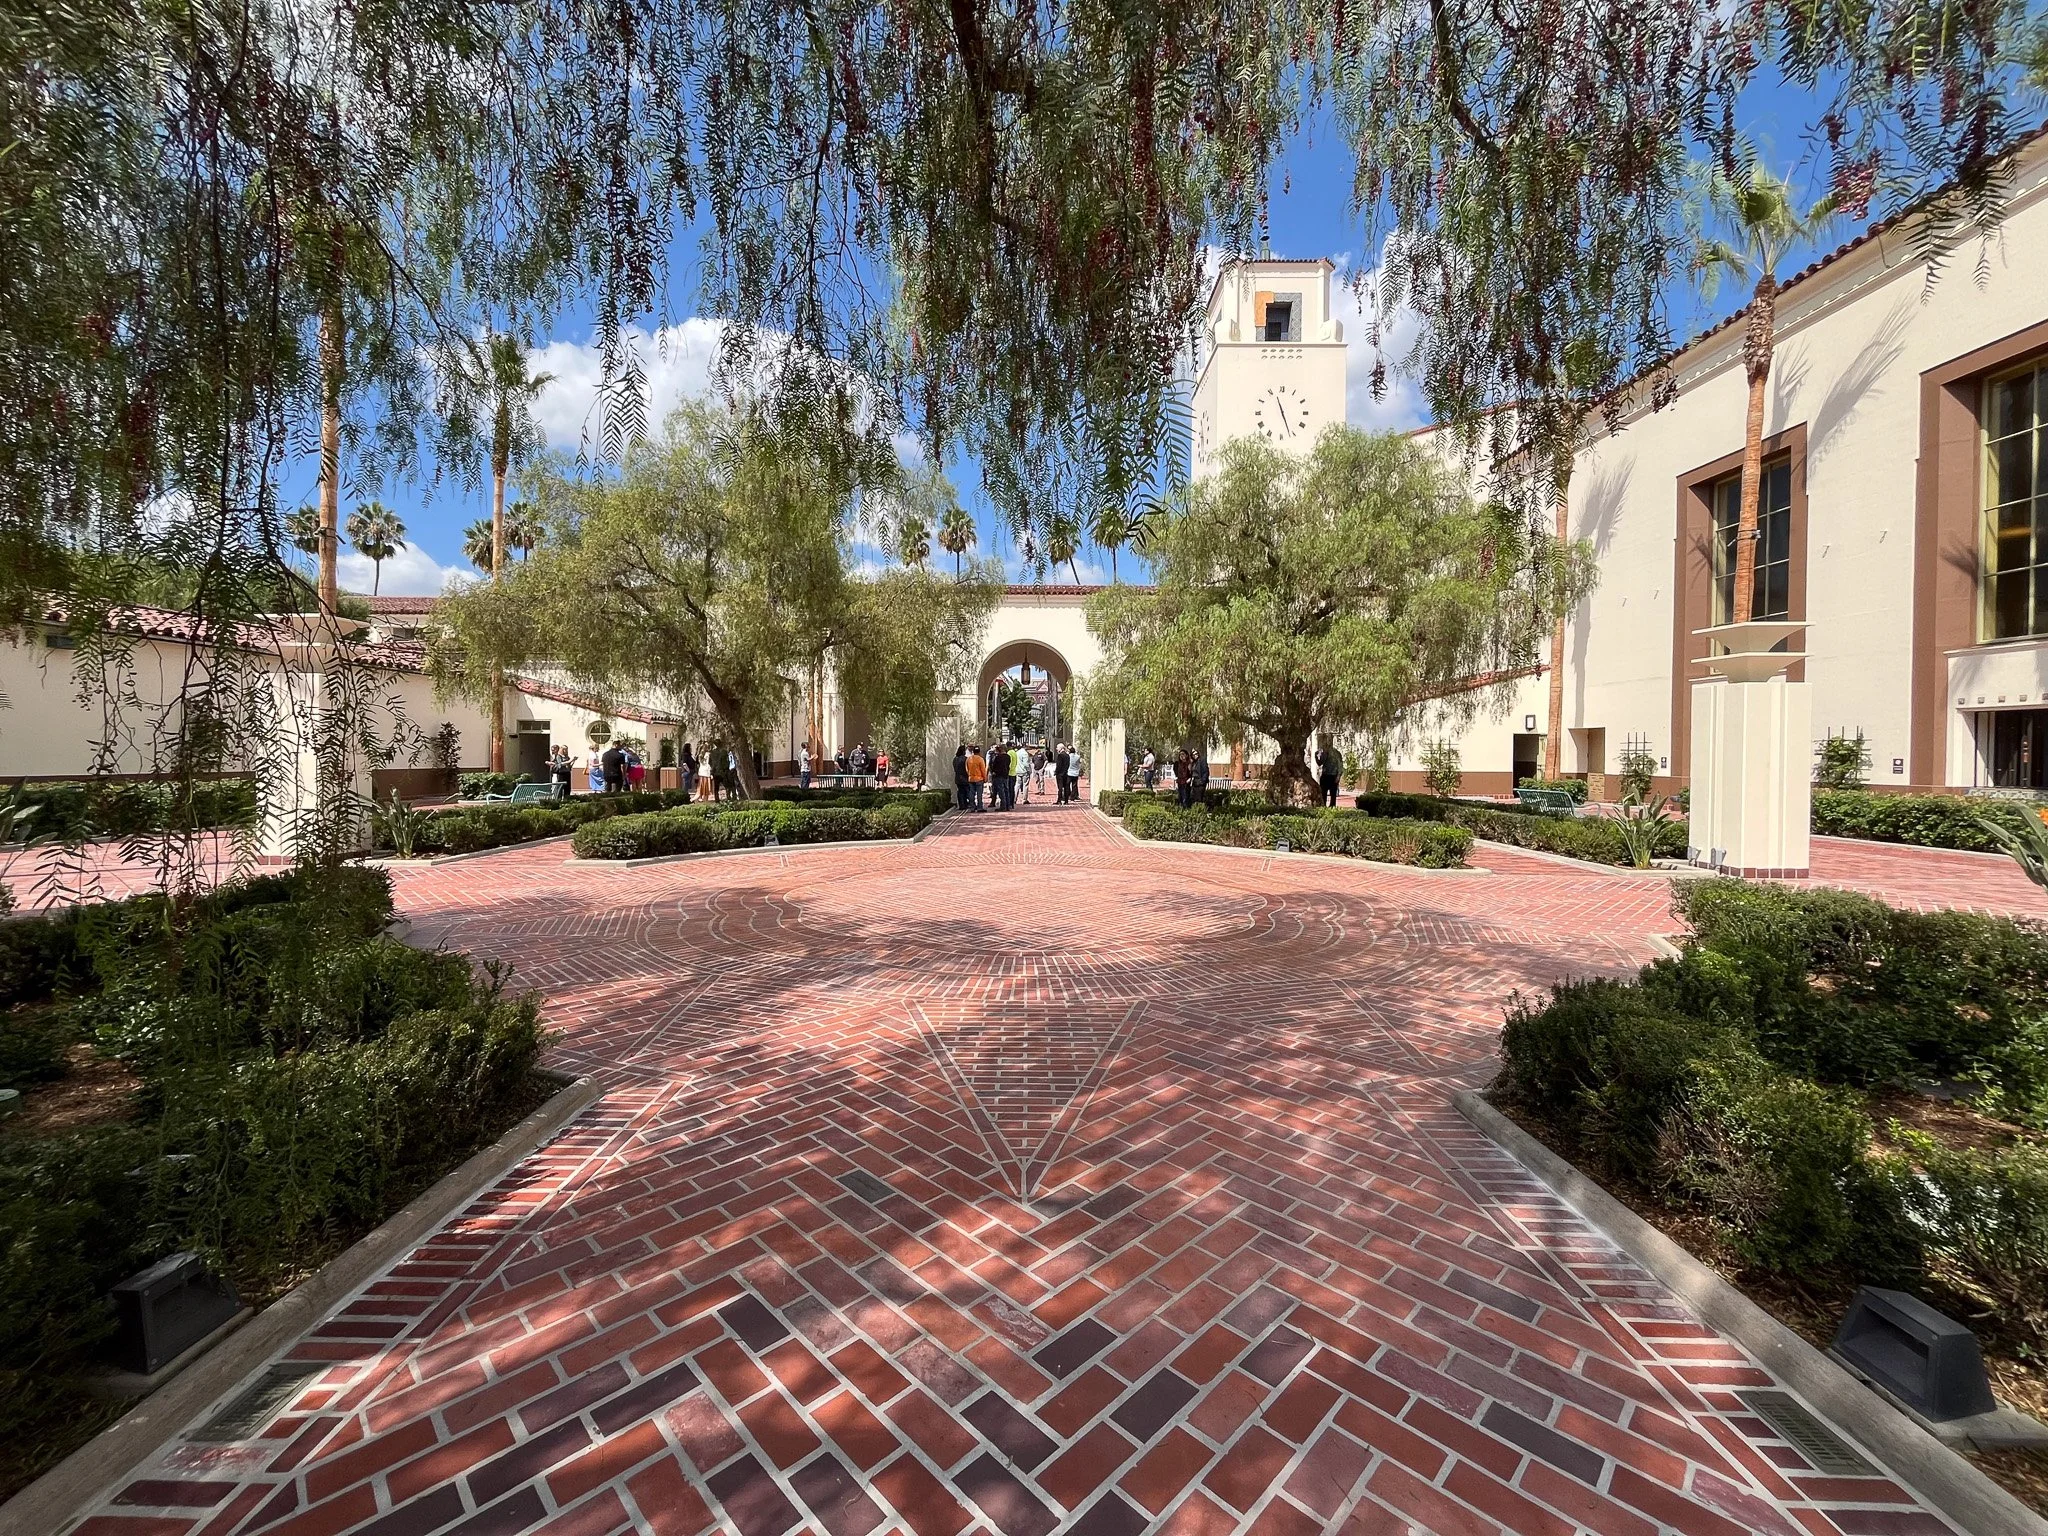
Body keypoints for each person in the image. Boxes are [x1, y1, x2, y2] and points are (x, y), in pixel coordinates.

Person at [966, 743, 988, 810]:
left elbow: (967, 769)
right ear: (979, 752)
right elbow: (983, 770)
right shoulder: (980, 759)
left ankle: (972, 807)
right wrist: (985, 778)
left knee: (971, 793)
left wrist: (969, 775)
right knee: (979, 794)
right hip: (979, 778)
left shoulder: (969, 759)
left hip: (971, 778)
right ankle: (979, 807)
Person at [953, 743, 971, 810]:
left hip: (958, 778)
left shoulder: (955, 759)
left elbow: (955, 769)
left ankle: (962, 805)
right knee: (967, 791)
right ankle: (969, 804)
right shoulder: (966, 759)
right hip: (965, 777)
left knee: (960, 791)